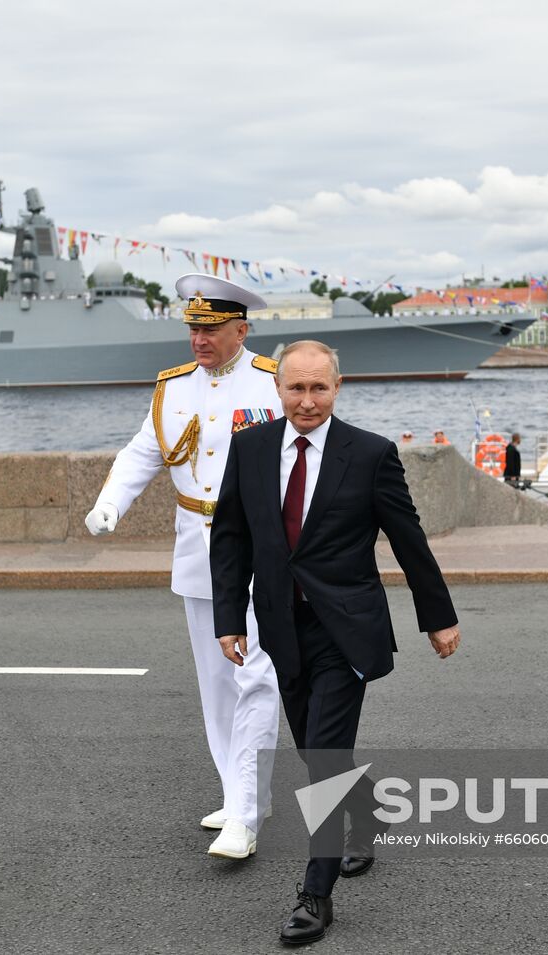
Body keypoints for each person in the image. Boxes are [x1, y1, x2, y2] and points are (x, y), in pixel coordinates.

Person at [210, 340, 460, 945]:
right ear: (278, 390)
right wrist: (229, 620)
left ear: (338, 387)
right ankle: (366, 807)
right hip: (281, 627)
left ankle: (315, 897)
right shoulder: (249, 449)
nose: (307, 400)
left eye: (319, 388)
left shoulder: (371, 454)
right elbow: (232, 538)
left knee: (322, 758)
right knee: (316, 751)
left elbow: (408, 539)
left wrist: (438, 616)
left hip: (347, 629)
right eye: (296, 388)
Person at [85, 273, 283, 861]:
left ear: (240, 330)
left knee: (256, 676)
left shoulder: (273, 384)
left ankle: (245, 815)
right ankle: (238, 792)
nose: (198, 339)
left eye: (211, 329)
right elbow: (143, 452)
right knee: (216, 687)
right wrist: (110, 502)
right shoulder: (171, 389)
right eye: (193, 328)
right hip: (198, 549)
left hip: (257, 548)